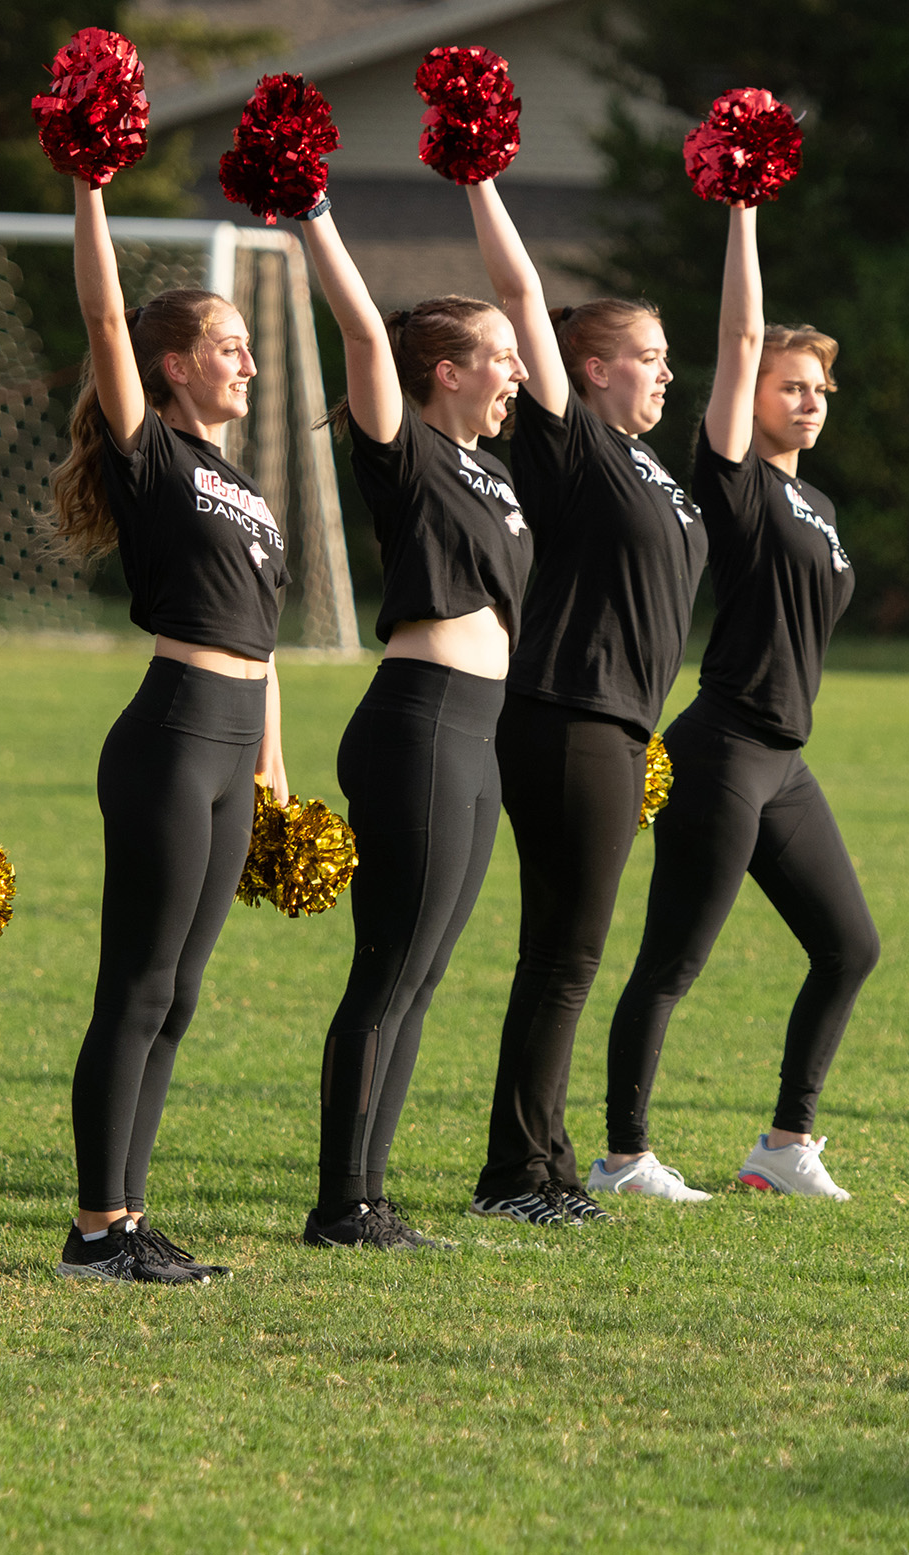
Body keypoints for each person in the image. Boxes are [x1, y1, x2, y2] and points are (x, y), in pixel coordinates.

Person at [594, 199, 876, 1203]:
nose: (806, 401)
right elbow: (739, 333)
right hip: (718, 749)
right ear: (744, 399)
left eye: (817, 389)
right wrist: (745, 210)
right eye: (786, 387)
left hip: (783, 758)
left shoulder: (820, 504)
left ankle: (784, 1145)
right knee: (671, 962)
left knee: (849, 945)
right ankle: (623, 1156)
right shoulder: (736, 482)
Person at [49, 174, 290, 1284]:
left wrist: (272, 766)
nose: (247, 359)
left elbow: (266, 633)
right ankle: (98, 1227)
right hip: (171, 731)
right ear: (174, 365)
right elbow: (103, 316)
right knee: (137, 984)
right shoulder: (151, 455)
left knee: (182, 993)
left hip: (233, 740)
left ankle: (129, 1216)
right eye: (228, 345)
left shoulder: (240, 481)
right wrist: (90, 191)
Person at [463, 178, 707, 1229]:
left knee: (567, 953)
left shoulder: (651, 469)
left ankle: (542, 1159)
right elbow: (520, 292)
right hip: (567, 712)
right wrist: (479, 175)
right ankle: (518, 1173)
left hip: (611, 725)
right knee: (563, 955)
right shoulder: (573, 447)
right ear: (593, 370)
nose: (664, 372)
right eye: (648, 356)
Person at [295, 204, 533, 1250]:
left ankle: (369, 1198)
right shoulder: (409, 453)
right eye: (500, 359)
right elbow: (357, 331)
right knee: (388, 968)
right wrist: (314, 217)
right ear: (443, 370)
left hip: (477, 731)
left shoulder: (497, 470)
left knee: (424, 974)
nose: (517, 374)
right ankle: (341, 1203)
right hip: (421, 720)